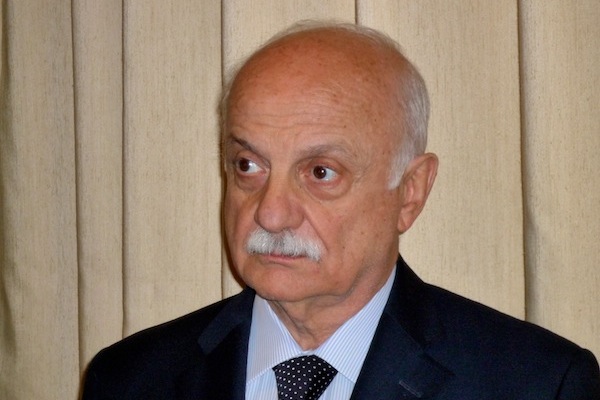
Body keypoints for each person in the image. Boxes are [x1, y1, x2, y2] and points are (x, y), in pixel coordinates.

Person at [81, 22, 600, 399]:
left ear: (410, 193)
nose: (271, 215)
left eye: (320, 172)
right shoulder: (129, 379)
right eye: (248, 165)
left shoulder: (537, 383)